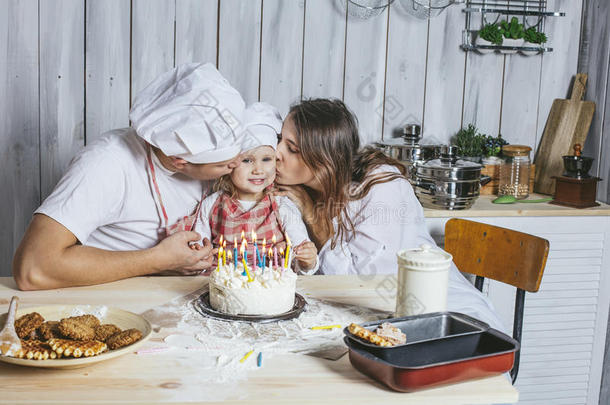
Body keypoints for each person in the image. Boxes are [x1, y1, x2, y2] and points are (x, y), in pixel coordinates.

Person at [13, 63, 248, 291]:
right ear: (179, 160)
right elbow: (33, 268)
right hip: (107, 305)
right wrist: (158, 260)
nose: (237, 165)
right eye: (224, 164)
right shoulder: (106, 164)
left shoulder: (214, 157)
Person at [274, 98, 505, 330]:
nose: (277, 153)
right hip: (356, 315)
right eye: (279, 140)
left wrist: (313, 216)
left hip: (440, 312)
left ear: (324, 160)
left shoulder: (381, 187)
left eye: (292, 148)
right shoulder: (295, 189)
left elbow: (367, 285)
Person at [196, 102, 318, 274]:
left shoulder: (282, 206)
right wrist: (199, 257)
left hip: (270, 286)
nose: (258, 170)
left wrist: (308, 261)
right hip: (225, 285)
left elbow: (301, 255)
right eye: (247, 160)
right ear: (230, 164)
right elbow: (198, 252)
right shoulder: (212, 205)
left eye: (267, 159)